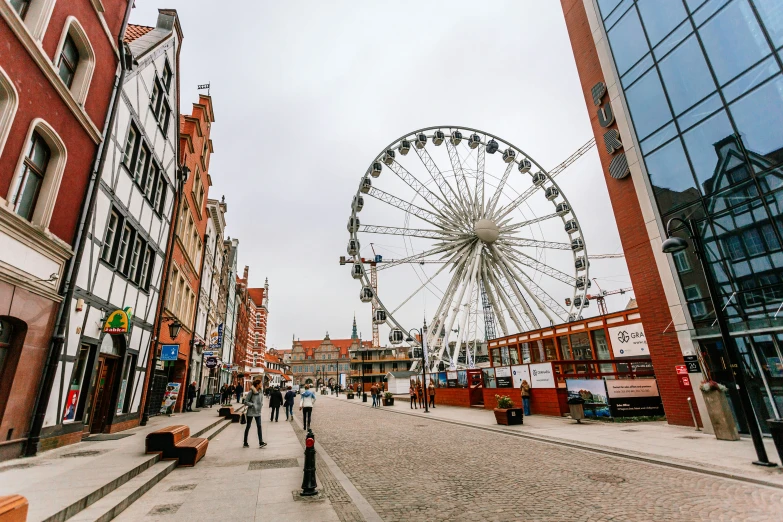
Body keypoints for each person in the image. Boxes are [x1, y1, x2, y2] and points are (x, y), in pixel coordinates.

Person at [243, 379, 266, 448]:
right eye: (261, 383)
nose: (262, 384)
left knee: (259, 426)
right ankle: (245, 442)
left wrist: (261, 404)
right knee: (248, 426)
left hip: (258, 412)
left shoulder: (261, 391)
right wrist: (252, 405)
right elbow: (245, 402)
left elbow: (261, 400)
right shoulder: (251, 392)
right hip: (251, 411)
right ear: (257, 384)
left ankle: (261, 442)